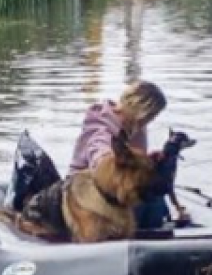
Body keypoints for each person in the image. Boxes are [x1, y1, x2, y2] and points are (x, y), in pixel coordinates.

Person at [69, 80, 172, 228]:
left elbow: (133, 165)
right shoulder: (99, 123)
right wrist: (111, 159)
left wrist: (148, 160)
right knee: (149, 203)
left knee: (154, 197)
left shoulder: (136, 127)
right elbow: (98, 151)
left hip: (118, 188)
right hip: (85, 190)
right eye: (152, 115)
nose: (152, 120)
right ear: (141, 109)